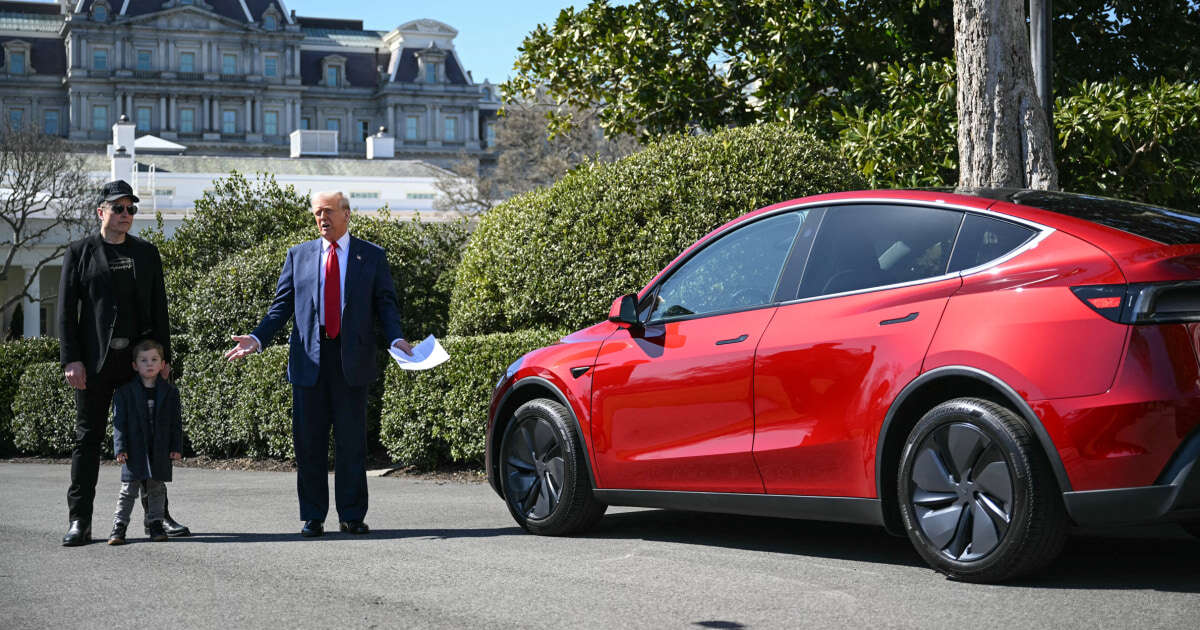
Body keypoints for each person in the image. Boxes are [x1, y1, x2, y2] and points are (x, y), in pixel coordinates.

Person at [225, 191, 412, 538]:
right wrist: (257, 337)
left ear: (346, 214)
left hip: (350, 360)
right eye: (316, 214)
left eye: (327, 212)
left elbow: (386, 305)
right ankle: (313, 516)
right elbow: (280, 308)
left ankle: (352, 516)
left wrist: (396, 338)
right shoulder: (299, 256)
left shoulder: (370, 256)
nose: (321, 219)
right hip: (310, 359)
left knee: (351, 442)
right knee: (308, 443)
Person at [57, 179, 190, 546]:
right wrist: (73, 359)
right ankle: (79, 521)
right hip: (97, 364)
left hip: (140, 364)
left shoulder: (147, 253)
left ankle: (158, 518)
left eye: (131, 209)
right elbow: (67, 313)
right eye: (118, 208)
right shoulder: (79, 252)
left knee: (150, 440)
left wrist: (163, 359)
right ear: (101, 212)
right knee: (89, 439)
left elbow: (159, 309)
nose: (126, 215)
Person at [107, 340, 183, 545]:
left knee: (156, 489)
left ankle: (156, 524)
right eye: (143, 360)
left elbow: (176, 423)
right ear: (135, 365)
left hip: (158, 449)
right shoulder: (124, 393)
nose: (149, 364)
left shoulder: (170, 392)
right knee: (128, 490)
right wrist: (120, 448)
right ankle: (119, 527)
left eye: (154, 360)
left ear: (162, 364)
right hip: (134, 450)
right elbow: (119, 423)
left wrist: (176, 447)